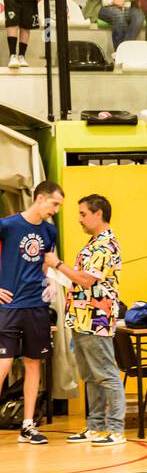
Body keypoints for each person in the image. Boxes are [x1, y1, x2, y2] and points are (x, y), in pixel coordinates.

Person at [0, 180, 62, 445]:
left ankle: (27, 425)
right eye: (54, 203)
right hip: (9, 307)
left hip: (36, 307)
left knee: (33, 364)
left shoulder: (50, 231)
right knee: (2, 365)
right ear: (40, 198)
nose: (56, 210)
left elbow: (45, 264)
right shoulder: (8, 225)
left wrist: (49, 282)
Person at [61, 194, 125, 446]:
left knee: (106, 374)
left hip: (96, 318)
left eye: (83, 214)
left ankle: (116, 429)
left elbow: (87, 279)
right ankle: (95, 426)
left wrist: (58, 265)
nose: (79, 219)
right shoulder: (92, 244)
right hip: (80, 317)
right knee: (89, 375)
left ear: (98, 214)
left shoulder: (106, 245)